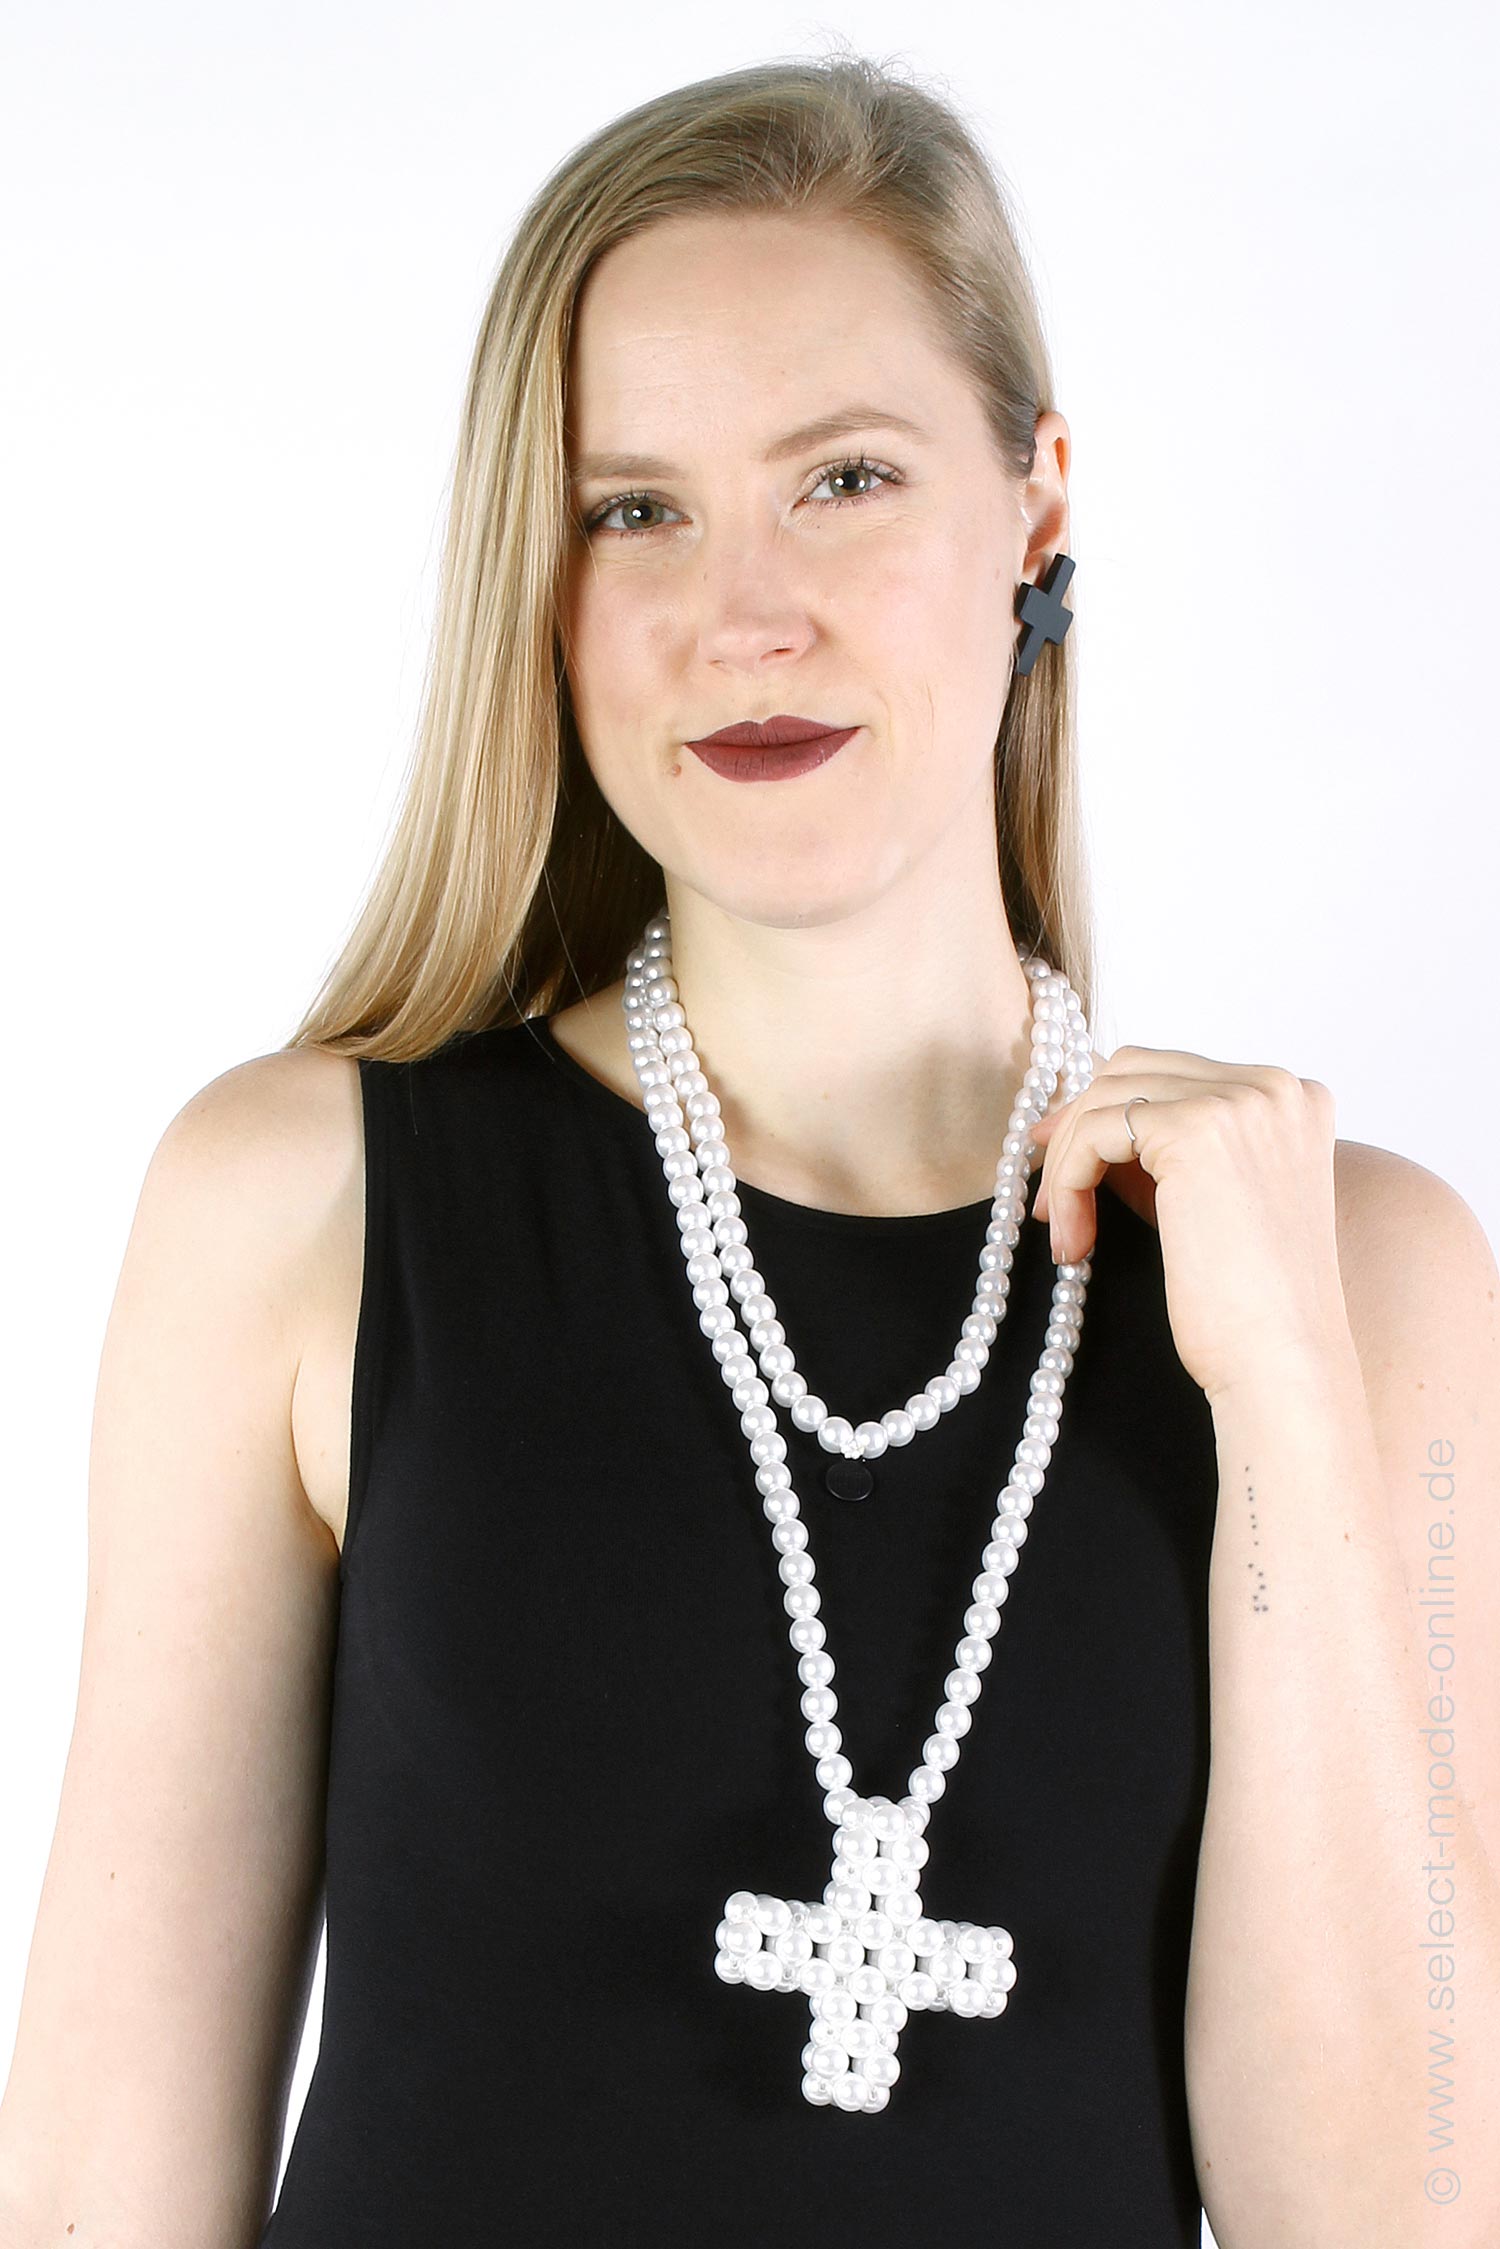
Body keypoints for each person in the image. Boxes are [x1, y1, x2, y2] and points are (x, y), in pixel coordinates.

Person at [2, 46, 1496, 2249]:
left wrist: (1281, 1390)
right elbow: (103, 2178)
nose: (743, 617)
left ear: (1038, 509)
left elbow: (1393, 2216)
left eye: (846, 479)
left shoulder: (1351, 1275)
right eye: (635, 510)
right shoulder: (302, 1205)